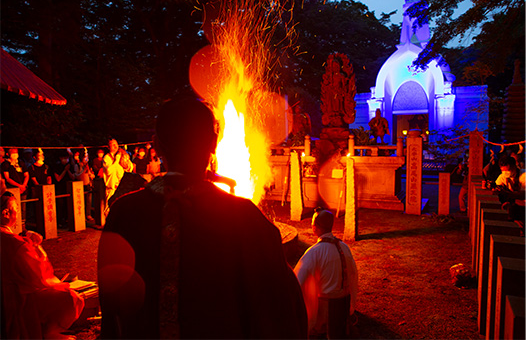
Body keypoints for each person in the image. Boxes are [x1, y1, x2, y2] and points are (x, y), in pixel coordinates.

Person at [97, 94, 307, 339]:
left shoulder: (124, 215)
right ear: (214, 143)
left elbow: (113, 313)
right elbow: (281, 311)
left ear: (156, 145)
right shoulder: (247, 220)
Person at [1, 192, 84, 339]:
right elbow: (39, 276)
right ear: (6, 213)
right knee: (71, 298)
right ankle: (49, 332)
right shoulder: (15, 243)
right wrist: (36, 246)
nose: (18, 213)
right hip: (16, 300)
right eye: (16, 209)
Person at [294, 207, 358, 339]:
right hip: (343, 307)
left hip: (325, 311)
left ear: (315, 227)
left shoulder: (314, 252)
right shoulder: (344, 247)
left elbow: (297, 282)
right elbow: (353, 275)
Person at [102, 139, 133, 209]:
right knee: (110, 209)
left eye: (116, 144)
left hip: (122, 187)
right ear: (108, 147)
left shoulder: (122, 155)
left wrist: (126, 163)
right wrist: (116, 160)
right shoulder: (107, 157)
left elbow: (130, 168)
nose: (115, 146)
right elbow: (109, 171)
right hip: (112, 188)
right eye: (112, 145)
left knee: (122, 209)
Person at [2, 148, 29, 221]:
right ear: (8, 154)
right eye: (13, 152)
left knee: (23, 208)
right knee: (13, 207)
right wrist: (19, 186)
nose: (15, 154)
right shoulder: (5, 164)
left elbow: (26, 175)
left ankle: (23, 223)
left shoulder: (21, 163)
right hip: (12, 189)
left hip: (23, 189)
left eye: (16, 152)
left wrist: (23, 185)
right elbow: (7, 178)